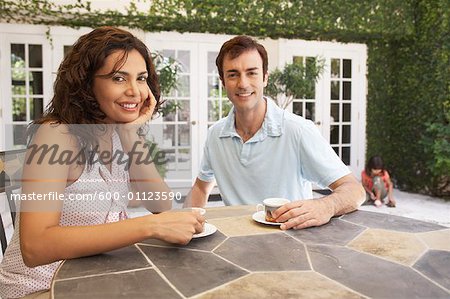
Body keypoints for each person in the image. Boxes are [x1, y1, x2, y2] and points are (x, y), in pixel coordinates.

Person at [0, 27, 204, 298]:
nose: (134, 91)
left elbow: (160, 204)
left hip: (93, 277)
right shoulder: (56, 134)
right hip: (38, 288)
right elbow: (35, 247)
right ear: (86, 83)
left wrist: (130, 133)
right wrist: (148, 227)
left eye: (141, 79)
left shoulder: (118, 131)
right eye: (119, 78)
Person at [185, 35, 365, 230]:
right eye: (233, 74)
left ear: (265, 78)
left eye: (252, 73)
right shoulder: (215, 135)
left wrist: (326, 206)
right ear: (223, 81)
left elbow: (354, 191)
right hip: (236, 244)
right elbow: (201, 188)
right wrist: (183, 221)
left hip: (292, 244)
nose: (243, 83)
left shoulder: (298, 130)